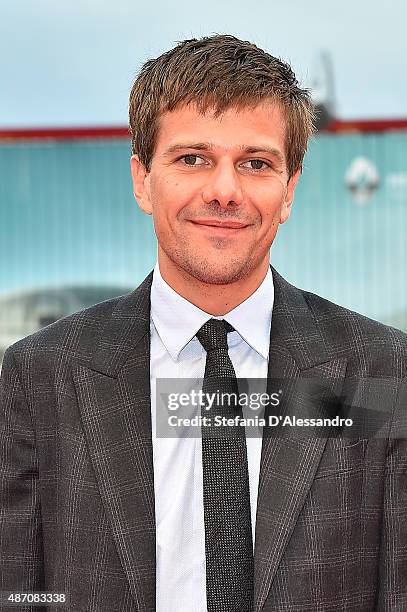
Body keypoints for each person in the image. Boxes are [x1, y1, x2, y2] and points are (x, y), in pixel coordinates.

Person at [0, 34, 406, 612]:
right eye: (193, 159)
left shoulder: (382, 372)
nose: (224, 191)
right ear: (142, 178)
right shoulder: (42, 375)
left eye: (255, 163)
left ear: (289, 189)